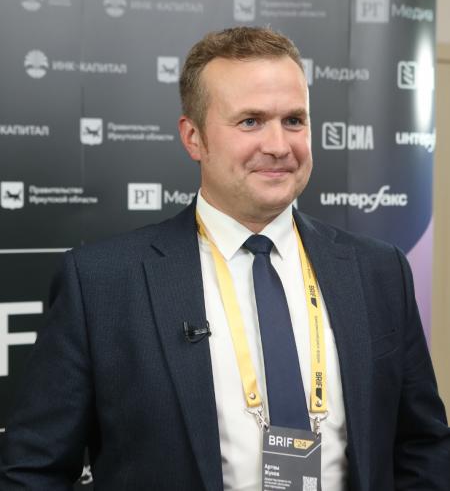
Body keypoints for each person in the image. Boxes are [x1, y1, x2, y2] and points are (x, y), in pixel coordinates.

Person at [0, 26, 449, 491]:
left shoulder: (379, 271)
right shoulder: (101, 283)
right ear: (193, 137)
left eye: (294, 120)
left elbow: (422, 447)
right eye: (251, 121)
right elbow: (33, 470)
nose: (279, 145)